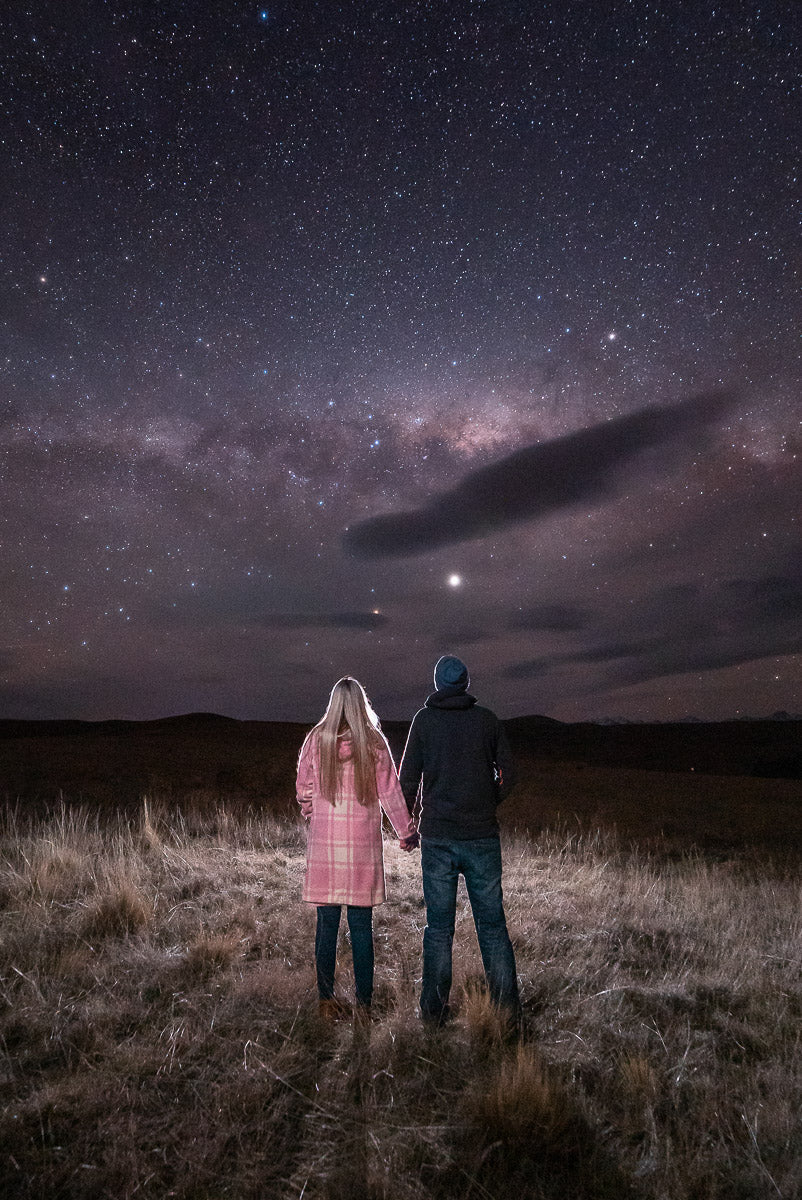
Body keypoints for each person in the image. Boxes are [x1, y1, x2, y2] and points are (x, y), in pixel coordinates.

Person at [399, 655, 519, 1026]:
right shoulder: (487, 721)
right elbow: (509, 773)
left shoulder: (424, 721)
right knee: (493, 926)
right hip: (482, 835)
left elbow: (407, 779)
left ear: (437, 684)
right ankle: (507, 1012)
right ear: (466, 684)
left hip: (438, 837)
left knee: (438, 928)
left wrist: (407, 826)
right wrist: (489, 801)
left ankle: (433, 1012)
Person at [296, 676, 419, 1022]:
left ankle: (325, 1001)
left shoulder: (315, 741)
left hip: (325, 847)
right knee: (362, 928)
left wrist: (314, 813)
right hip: (362, 848)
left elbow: (303, 789)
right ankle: (364, 1007)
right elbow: (391, 793)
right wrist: (406, 831)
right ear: (361, 704)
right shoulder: (375, 743)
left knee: (327, 926)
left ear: (334, 704)